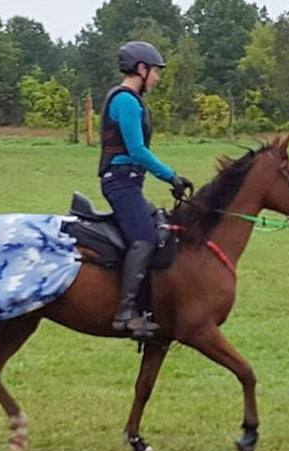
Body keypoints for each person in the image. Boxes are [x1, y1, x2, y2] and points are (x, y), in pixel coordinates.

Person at [98, 41, 193, 340]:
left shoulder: (131, 100)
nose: (157, 78)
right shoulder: (126, 100)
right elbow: (137, 150)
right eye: (156, 72)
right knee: (145, 238)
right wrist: (171, 176)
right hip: (121, 182)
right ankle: (125, 314)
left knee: (159, 226)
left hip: (128, 183)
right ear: (141, 69)